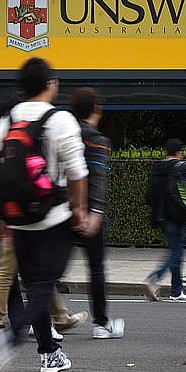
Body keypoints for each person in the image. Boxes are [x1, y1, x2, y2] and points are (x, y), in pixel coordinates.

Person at [0, 57, 88, 372]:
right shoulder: (60, 119)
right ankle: (8, 340)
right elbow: (78, 172)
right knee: (44, 285)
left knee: (34, 285)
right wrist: (79, 210)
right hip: (52, 218)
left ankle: (49, 354)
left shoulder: (7, 120)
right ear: (50, 84)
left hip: (16, 218)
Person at [66, 86, 124, 339]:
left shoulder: (65, 134)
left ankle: (43, 319)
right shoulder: (98, 141)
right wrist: (96, 211)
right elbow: (98, 178)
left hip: (64, 210)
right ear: (96, 109)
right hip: (89, 212)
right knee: (96, 269)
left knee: (54, 270)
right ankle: (101, 324)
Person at [144, 138, 186, 301]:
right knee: (177, 251)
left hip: (162, 217)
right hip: (178, 216)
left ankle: (176, 290)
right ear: (179, 153)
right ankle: (154, 278)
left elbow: (149, 197)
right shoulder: (183, 168)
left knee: (176, 249)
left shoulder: (158, 168)